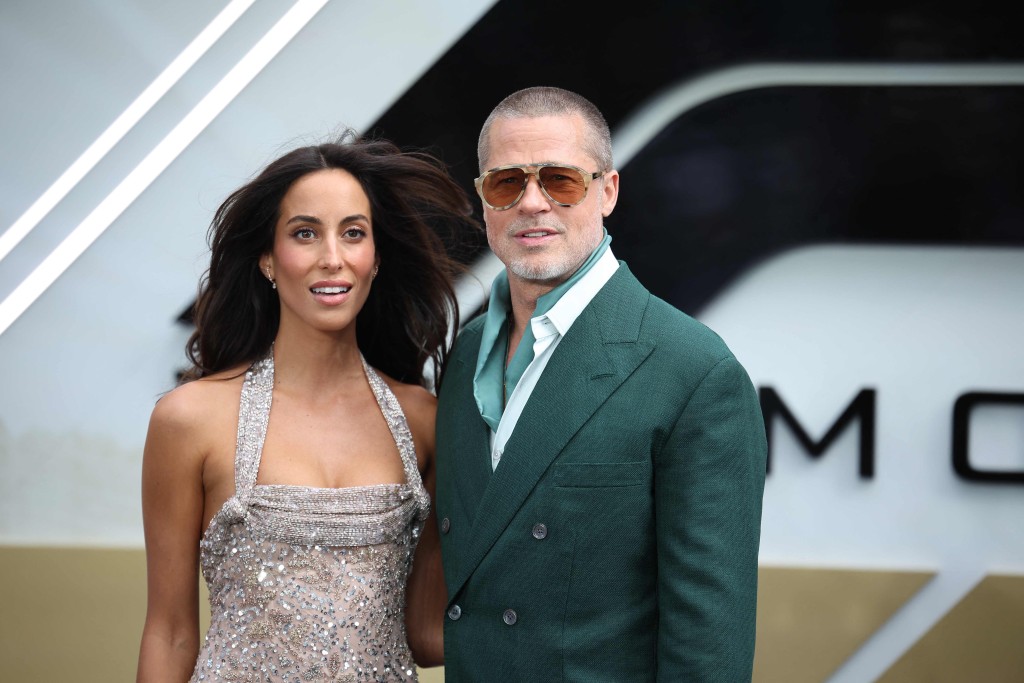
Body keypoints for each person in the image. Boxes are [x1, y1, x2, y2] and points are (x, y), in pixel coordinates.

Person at [434, 86, 768, 681]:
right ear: (483, 200)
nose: (532, 203)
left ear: (607, 191)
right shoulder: (462, 356)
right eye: (507, 183)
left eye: (561, 180)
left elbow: (709, 643)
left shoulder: (693, 370)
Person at [136, 132, 477, 682]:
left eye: (353, 234)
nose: (332, 259)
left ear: (376, 258)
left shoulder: (424, 421)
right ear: (268, 259)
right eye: (305, 234)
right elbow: (170, 632)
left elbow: (426, 633)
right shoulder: (189, 419)